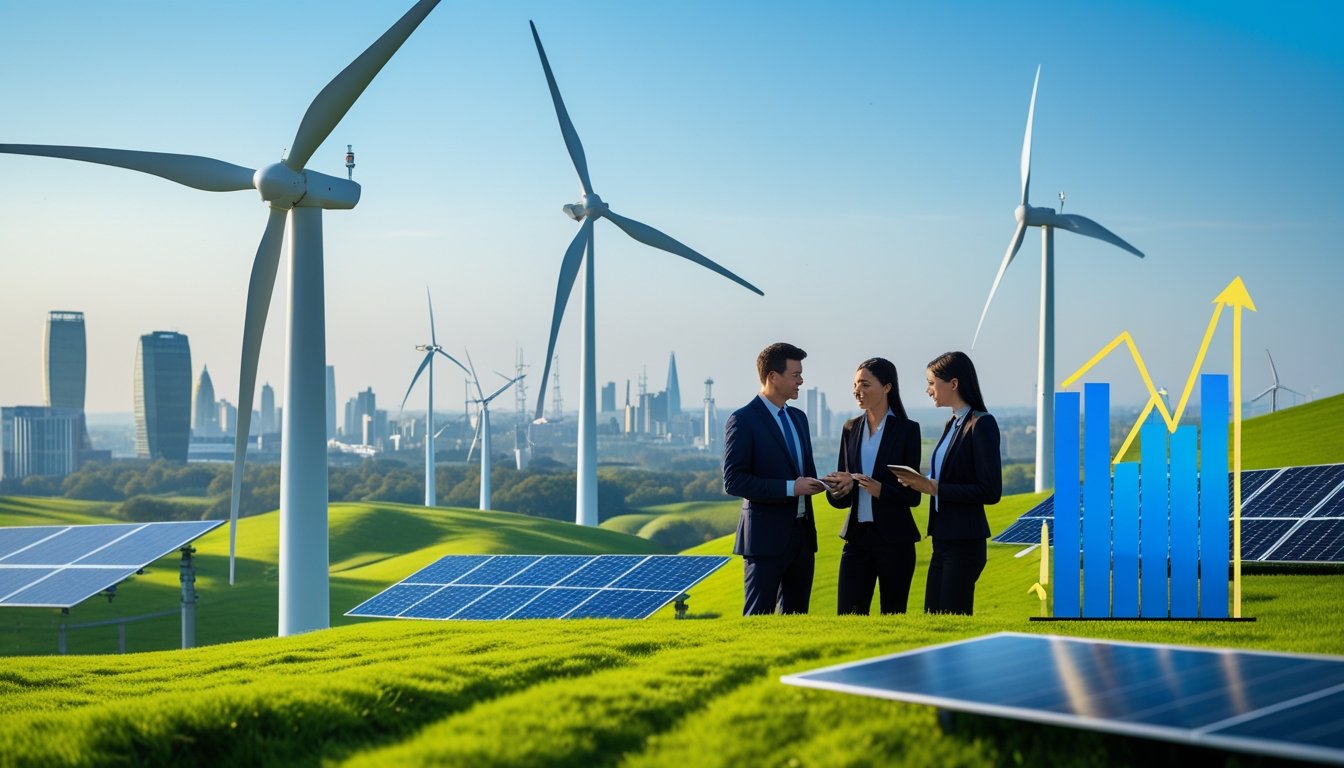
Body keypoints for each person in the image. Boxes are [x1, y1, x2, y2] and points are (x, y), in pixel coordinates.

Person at [892, 351, 1002, 615]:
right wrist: (921, 481)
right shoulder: (952, 423)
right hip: (942, 539)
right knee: (933, 618)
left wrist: (934, 487)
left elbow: (990, 490)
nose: (928, 390)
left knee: (953, 621)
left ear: (953, 383)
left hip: (965, 542)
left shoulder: (981, 424)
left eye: (931, 383)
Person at [723, 342, 825, 615]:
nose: (801, 381)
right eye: (795, 375)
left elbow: (804, 473)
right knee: (759, 619)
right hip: (765, 541)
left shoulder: (799, 418)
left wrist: (827, 484)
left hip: (802, 537)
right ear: (772, 377)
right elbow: (734, 480)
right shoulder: (743, 420)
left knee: (797, 620)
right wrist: (792, 488)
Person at [824, 357, 922, 615]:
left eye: (865, 384)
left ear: (887, 387)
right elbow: (840, 499)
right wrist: (837, 488)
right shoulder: (850, 428)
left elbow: (913, 497)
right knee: (848, 618)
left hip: (895, 541)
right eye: (855, 384)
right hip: (856, 540)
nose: (858, 390)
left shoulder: (907, 431)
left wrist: (881, 490)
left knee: (893, 617)